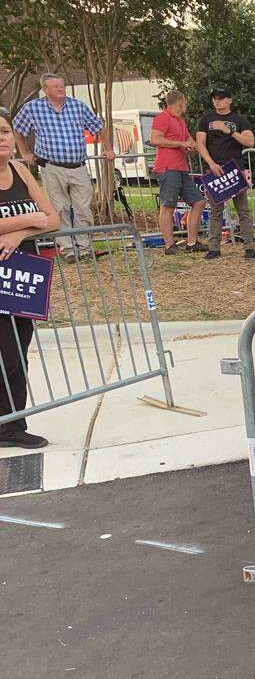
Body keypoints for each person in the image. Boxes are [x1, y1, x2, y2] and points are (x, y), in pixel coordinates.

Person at [0, 110, 62, 449]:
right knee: (7, 353)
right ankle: (10, 427)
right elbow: (39, 215)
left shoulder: (21, 170)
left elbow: (52, 218)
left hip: (23, 278)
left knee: (19, 351)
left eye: (6, 131)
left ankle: (9, 421)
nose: (2, 138)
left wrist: (17, 233)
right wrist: (29, 218)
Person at [12, 73, 113, 261]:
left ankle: (85, 248)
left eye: (62, 85)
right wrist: (25, 153)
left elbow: (99, 127)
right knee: (59, 209)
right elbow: (17, 129)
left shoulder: (78, 106)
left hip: (78, 166)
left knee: (83, 207)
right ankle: (68, 250)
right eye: (56, 86)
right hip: (52, 167)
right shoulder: (33, 108)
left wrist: (108, 149)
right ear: (45, 89)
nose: (61, 89)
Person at [195, 87, 255, 260]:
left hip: (235, 169)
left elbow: (250, 141)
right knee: (215, 211)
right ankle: (214, 247)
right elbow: (200, 143)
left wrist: (230, 131)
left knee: (242, 210)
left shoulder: (239, 120)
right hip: (215, 168)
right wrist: (211, 164)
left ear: (230, 100)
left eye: (221, 98)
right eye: (215, 98)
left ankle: (249, 247)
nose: (217, 101)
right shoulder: (206, 119)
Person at [149, 91, 207, 255]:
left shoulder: (180, 121)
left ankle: (191, 242)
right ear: (180, 102)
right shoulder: (162, 118)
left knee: (199, 202)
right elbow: (155, 139)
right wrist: (180, 143)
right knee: (168, 206)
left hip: (182, 168)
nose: (186, 105)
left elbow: (189, 141)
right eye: (185, 102)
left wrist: (195, 147)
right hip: (167, 167)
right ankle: (169, 245)